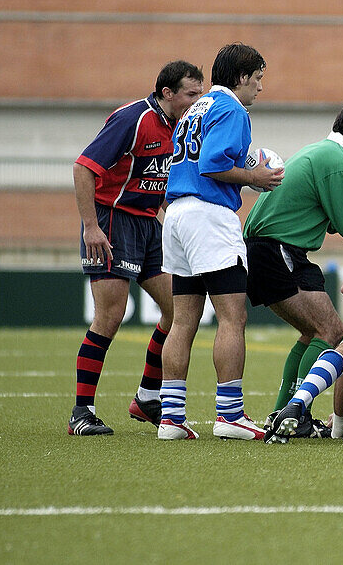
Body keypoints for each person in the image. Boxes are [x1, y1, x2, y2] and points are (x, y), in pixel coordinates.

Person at [68, 60, 205, 436]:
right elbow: (83, 168)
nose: (197, 101)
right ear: (167, 93)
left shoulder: (181, 127)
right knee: (110, 317)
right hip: (113, 219)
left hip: (148, 224)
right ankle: (82, 412)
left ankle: (146, 397)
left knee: (177, 310)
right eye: (191, 94)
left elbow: (156, 179)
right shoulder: (133, 118)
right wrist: (92, 227)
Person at [243, 97, 343, 438]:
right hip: (276, 250)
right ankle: (294, 414)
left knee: (314, 333)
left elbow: (338, 222)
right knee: (331, 332)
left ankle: (284, 413)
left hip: (282, 251)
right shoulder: (335, 159)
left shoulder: (329, 154)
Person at [158, 43, 283, 441]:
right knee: (233, 317)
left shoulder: (195, 108)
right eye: (258, 78)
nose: (260, 87)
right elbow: (213, 163)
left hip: (177, 214)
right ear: (242, 77)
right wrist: (255, 178)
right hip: (208, 217)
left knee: (183, 321)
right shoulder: (232, 108)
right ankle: (230, 415)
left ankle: (171, 418)